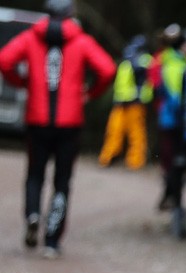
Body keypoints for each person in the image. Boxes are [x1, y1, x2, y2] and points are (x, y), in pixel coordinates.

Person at [0, 0, 114, 258]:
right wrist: (90, 92)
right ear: (70, 14)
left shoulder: (31, 37)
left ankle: (32, 215)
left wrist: (22, 82)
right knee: (62, 181)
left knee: (34, 175)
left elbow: (5, 59)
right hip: (69, 123)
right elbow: (107, 69)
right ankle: (51, 240)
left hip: (37, 118)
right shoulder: (81, 41)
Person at [149, 23, 186, 237]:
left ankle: (173, 205)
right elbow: (173, 95)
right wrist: (184, 112)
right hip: (174, 122)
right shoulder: (171, 63)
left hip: (177, 122)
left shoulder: (182, 62)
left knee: (177, 166)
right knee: (174, 166)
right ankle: (174, 209)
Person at [98, 35, 153, 170]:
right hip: (120, 103)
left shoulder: (145, 60)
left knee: (136, 133)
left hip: (136, 102)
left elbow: (143, 71)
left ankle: (135, 161)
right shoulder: (127, 61)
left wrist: (134, 58)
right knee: (113, 130)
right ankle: (108, 158)